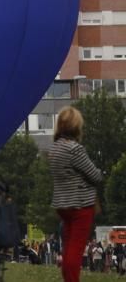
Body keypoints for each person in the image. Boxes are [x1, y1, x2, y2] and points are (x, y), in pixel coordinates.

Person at [49, 105, 103, 282]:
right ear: (76, 126)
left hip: (62, 204)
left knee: (68, 246)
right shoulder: (75, 149)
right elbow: (95, 176)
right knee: (76, 249)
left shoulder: (54, 149)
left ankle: (68, 277)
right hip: (80, 205)